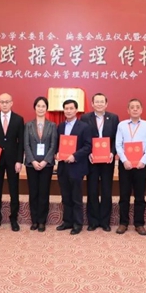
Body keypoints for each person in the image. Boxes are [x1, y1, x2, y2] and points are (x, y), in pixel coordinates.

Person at [0, 93, 25, 232]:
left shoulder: (18, 119)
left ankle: (14, 219)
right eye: (2, 102)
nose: (4, 104)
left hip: (13, 161)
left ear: (12, 103)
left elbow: (21, 142)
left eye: (7, 101)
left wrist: (19, 160)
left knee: (14, 190)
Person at [80, 93, 120, 232]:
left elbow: (116, 138)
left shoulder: (113, 118)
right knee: (92, 190)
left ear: (106, 103)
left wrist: (112, 152)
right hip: (92, 159)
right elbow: (84, 138)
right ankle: (93, 221)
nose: (99, 104)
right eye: (96, 101)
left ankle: (105, 221)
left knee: (106, 190)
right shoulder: (85, 118)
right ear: (92, 104)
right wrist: (89, 153)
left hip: (107, 160)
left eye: (102, 101)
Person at [115, 99, 146, 235]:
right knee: (124, 195)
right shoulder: (122, 125)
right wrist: (124, 160)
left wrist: (143, 161)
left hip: (141, 165)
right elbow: (118, 144)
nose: (135, 109)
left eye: (137, 107)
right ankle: (123, 223)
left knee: (140, 196)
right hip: (125, 165)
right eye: (132, 107)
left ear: (141, 110)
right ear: (128, 110)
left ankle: (139, 223)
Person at [55, 99, 92, 235]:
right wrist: (56, 153)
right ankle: (67, 221)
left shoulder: (84, 127)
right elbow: (57, 144)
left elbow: (88, 146)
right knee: (65, 196)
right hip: (63, 167)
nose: (69, 111)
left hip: (76, 167)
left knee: (76, 197)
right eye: (66, 108)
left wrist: (74, 156)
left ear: (76, 110)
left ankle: (77, 223)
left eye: (71, 108)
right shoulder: (60, 126)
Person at [23, 96, 57, 233]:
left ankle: (42, 221)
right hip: (31, 164)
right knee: (33, 192)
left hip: (46, 165)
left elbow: (53, 145)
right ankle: (34, 220)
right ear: (34, 108)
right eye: (38, 106)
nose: (41, 108)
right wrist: (33, 161)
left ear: (46, 108)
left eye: (43, 106)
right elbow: (26, 144)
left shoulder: (52, 125)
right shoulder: (28, 125)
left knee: (44, 192)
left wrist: (44, 161)